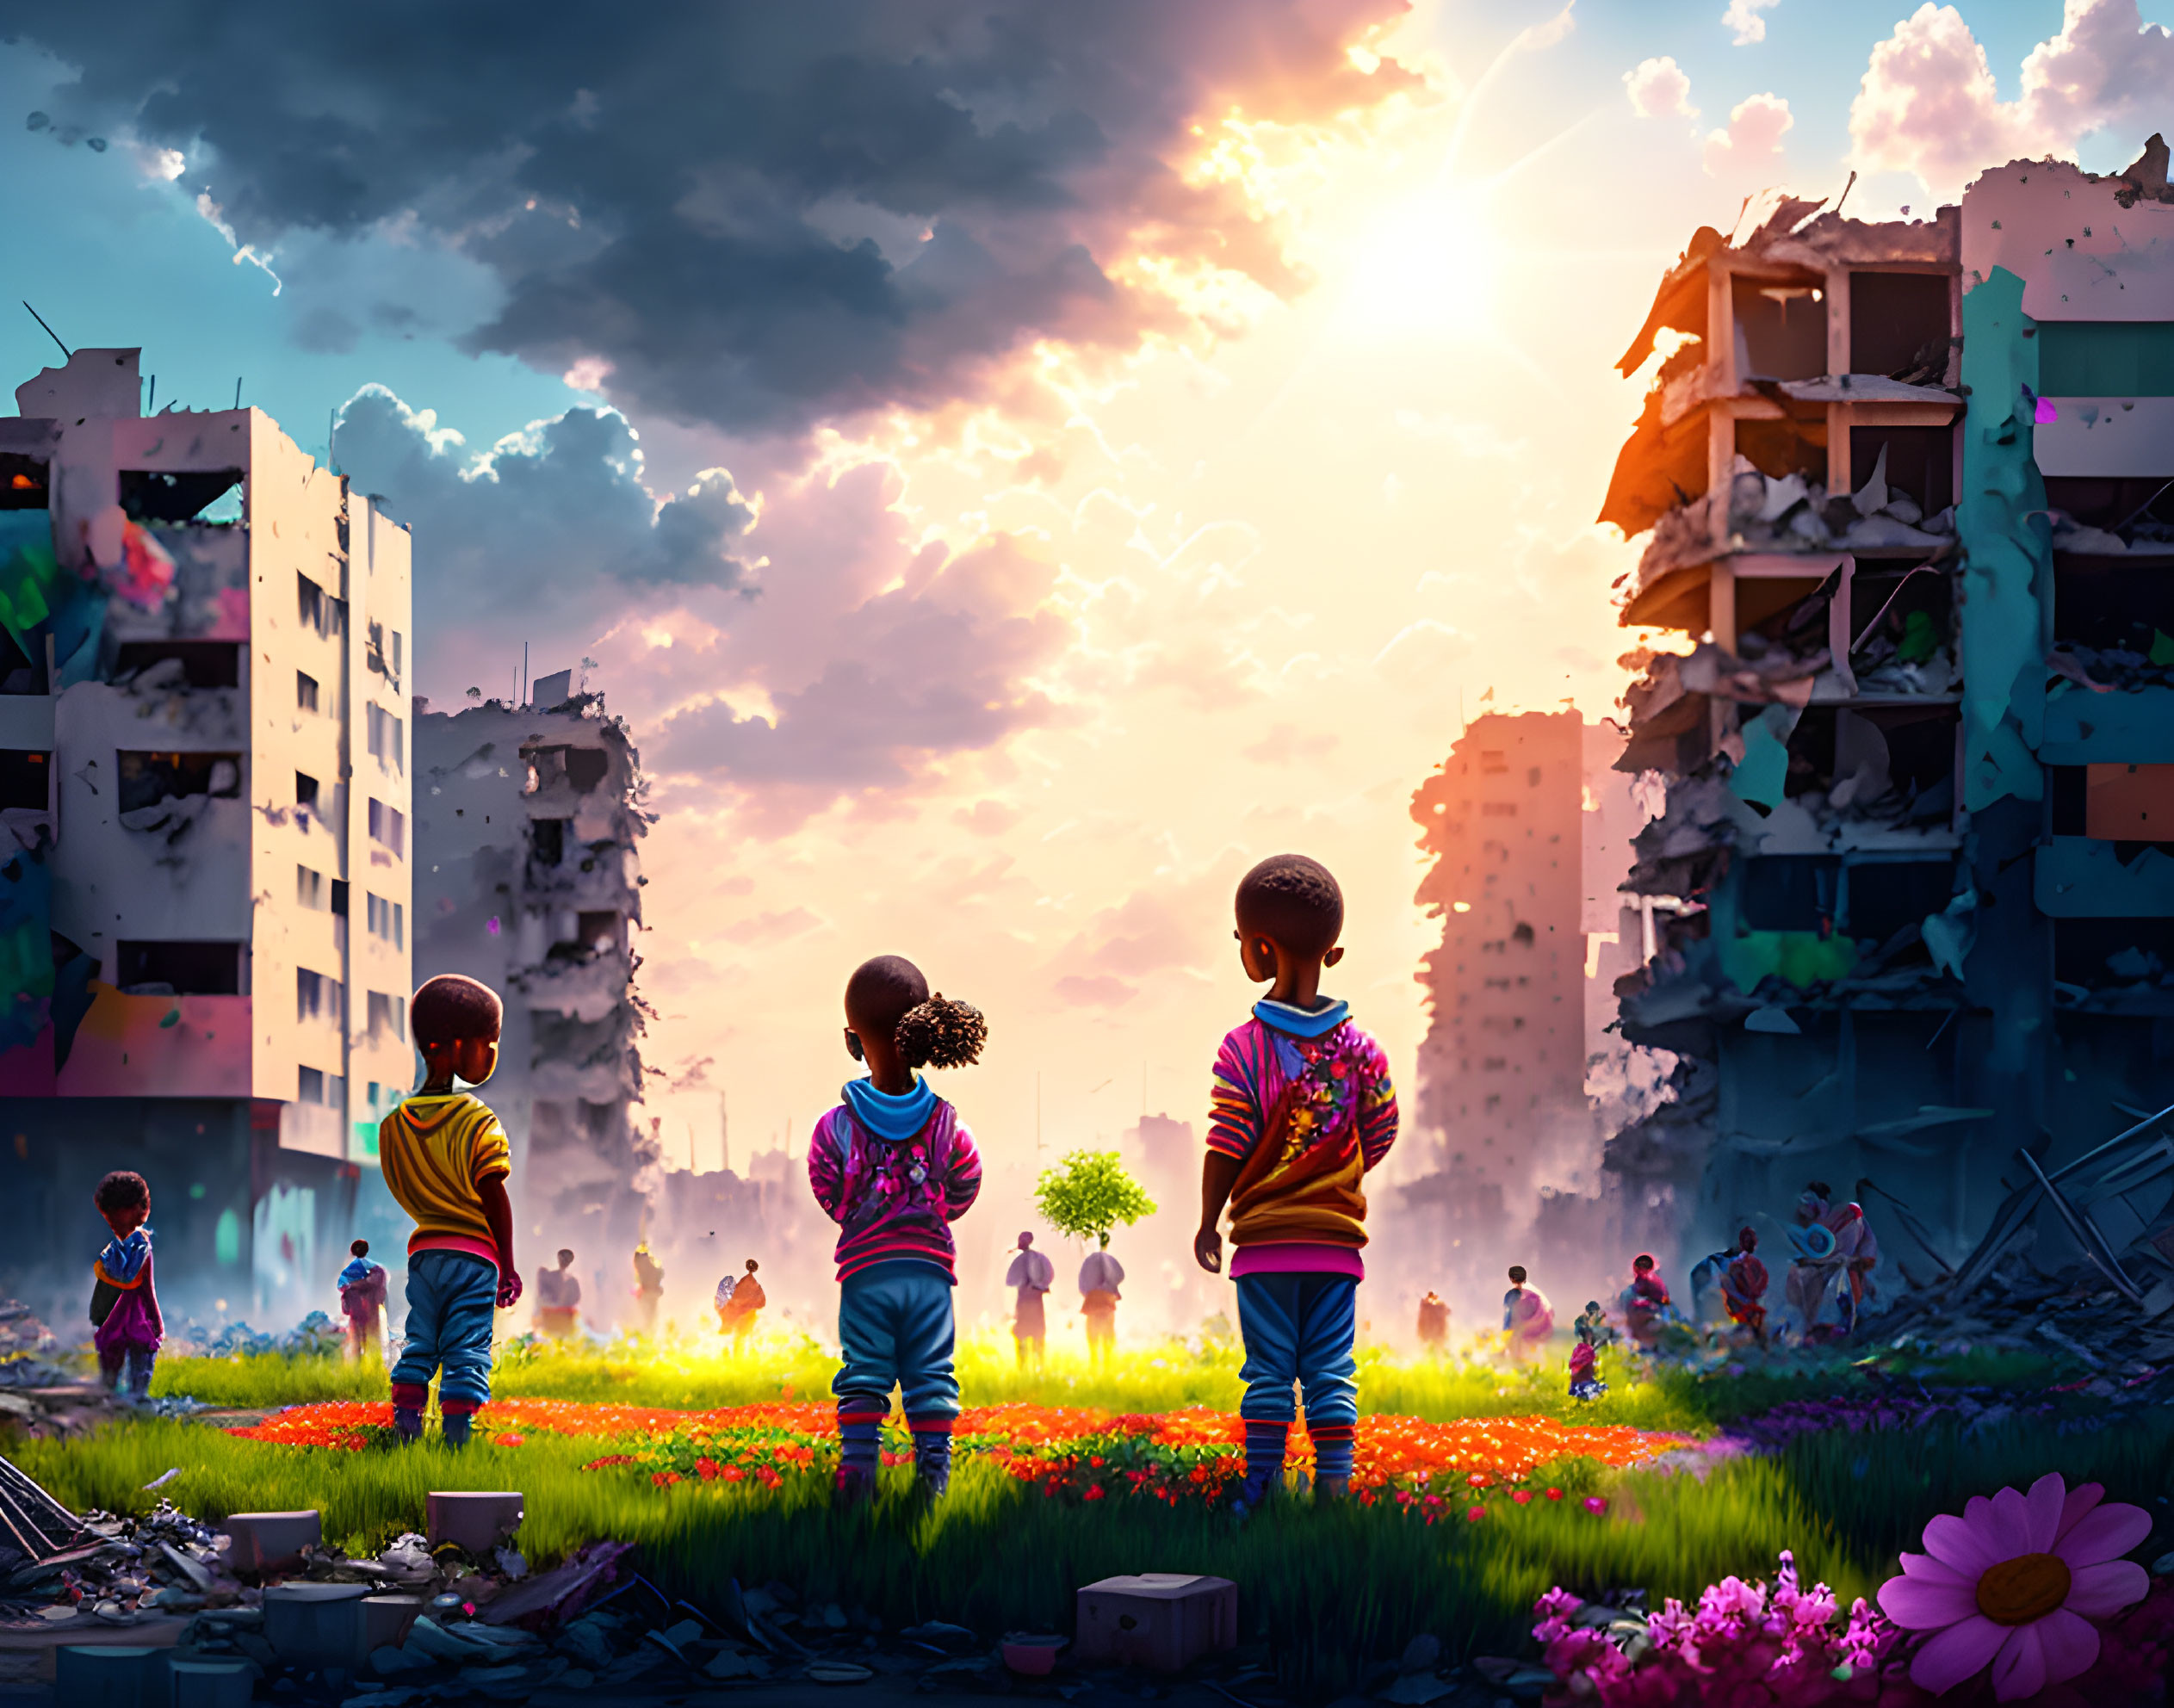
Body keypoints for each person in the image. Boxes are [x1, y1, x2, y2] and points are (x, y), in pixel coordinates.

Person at [1193, 854, 1398, 1510]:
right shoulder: (1363, 1050)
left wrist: (1208, 1218)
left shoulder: (1242, 1048)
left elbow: (1226, 1140)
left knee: (1268, 1372)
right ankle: (1334, 1488)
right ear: (1332, 954)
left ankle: (1261, 1486)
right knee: (1332, 1372)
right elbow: (1383, 1128)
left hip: (1264, 1247)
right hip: (1336, 1246)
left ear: (1256, 949)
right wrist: (1333, 1174)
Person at [808, 956, 987, 1501]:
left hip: (865, 1273)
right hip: (929, 1274)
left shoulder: (834, 1127)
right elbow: (966, 1182)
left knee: (864, 1375)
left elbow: (828, 1190)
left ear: (851, 1040)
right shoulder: (948, 1122)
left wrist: (863, 1216)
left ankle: (858, 1477)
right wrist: (929, 1216)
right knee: (932, 1375)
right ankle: (933, 1480)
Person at [379, 974, 521, 1446]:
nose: (493, 1055)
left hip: (424, 1255)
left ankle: (406, 1425)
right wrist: (508, 1264)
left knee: (420, 1337)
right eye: (490, 1043)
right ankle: (458, 1437)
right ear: (459, 1045)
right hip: (475, 1257)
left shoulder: (394, 1127)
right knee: (466, 1345)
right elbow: (493, 1195)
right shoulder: (478, 1120)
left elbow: (405, 1188)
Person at [90, 1171, 162, 1401]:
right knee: (135, 1380)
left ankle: (122, 1406)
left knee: (113, 1382)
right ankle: (130, 1405)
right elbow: (147, 1290)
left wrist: (97, 1312)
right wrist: (156, 1320)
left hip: (117, 1320)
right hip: (134, 1320)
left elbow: (107, 1285)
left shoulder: (113, 1250)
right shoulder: (140, 1246)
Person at [1786, 1183, 1880, 1340]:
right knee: (1811, 1293)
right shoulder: (1817, 1220)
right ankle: (1811, 1329)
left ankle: (1840, 1329)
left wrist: (1861, 1258)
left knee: (1845, 1294)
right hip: (1818, 1265)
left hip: (1843, 1266)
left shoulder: (1847, 1217)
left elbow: (1864, 1242)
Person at [1006, 1232, 1054, 1369]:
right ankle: (1038, 1367)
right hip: (1035, 1303)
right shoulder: (1040, 1258)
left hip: (1025, 1304)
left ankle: (1024, 1367)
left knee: (1023, 1335)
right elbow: (1048, 1277)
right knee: (1036, 1334)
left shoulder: (1019, 1260)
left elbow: (1011, 1281)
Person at [338, 1239, 389, 1365]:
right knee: (370, 1341)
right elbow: (379, 1284)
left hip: (360, 1311)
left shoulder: (350, 1270)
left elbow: (342, 1286)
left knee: (359, 1342)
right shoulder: (375, 1269)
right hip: (368, 1310)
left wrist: (354, 1286)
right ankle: (368, 1368)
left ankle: (362, 1369)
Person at [1723, 1228, 1770, 1346]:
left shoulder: (1755, 1263)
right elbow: (1728, 1284)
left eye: (1751, 1241)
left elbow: (1762, 1281)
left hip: (1750, 1302)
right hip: (1741, 1303)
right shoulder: (1735, 1264)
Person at [1502, 1266, 1554, 1367]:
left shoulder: (1527, 1295)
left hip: (1530, 1333)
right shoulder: (1529, 1293)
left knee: (1527, 1358)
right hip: (1530, 1332)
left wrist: (1525, 1325)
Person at [1079, 1246, 1124, 1365]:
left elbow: (1082, 1284)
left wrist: (1089, 1294)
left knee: (1092, 1336)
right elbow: (1120, 1275)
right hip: (1106, 1302)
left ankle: (1094, 1361)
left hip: (1092, 1303)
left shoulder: (1088, 1262)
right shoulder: (1110, 1261)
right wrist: (1110, 1288)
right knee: (1107, 1334)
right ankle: (1107, 1362)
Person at [1620, 1253, 1670, 1351]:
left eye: (1645, 1265)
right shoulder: (1628, 1293)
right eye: (1641, 1265)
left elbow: (1665, 1301)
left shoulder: (1657, 1285)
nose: (1643, 1269)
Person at [716, 1259, 765, 1348]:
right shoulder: (755, 1285)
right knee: (743, 1340)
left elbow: (734, 1298)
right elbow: (762, 1302)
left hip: (741, 1316)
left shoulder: (743, 1283)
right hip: (748, 1317)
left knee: (739, 1340)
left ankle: (736, 1357)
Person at [535, 1249, 581, 1340]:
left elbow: (577, 1297)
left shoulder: (572, 1280)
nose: (564, 1261)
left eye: (567, 1258)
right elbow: (542, 1294)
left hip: (564, 1319)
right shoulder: (551, 1276)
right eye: (563, 1258)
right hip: (553, 1319)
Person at [1568, 1301, 1608, 1402]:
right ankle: (1584, 1398)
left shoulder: (1592, 1321)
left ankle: (1584, 1399)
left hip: (1587, 1350)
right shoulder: (1583, 1321)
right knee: (1585, 1376)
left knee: (1587, 1375)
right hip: (1587, 1350)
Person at [631, 1242, 665, 1336]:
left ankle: (648, 1333)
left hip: (648, 1295)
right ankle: (648, 1333)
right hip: (649, 1295)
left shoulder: (646, 1267)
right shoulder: (652, 1268)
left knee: (649, 1320)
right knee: (649, 1320)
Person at [1415, 1290, 1449, 1354]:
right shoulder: (1425, 1306)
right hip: (1427, 1332)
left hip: (1437, 1333)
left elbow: (1447, 1312)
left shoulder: (1440, 1306)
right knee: (1426, 1348)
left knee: (1437, 1348)